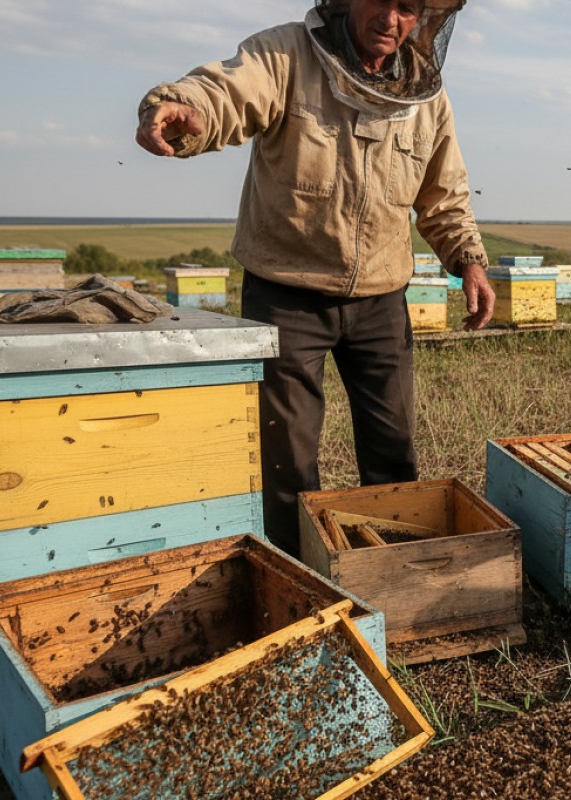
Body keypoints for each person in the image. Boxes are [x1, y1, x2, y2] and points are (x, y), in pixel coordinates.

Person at [135, 0, 494, 557]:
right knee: (289, 459)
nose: (391, 19)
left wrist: (468, 258)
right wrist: (186, 109)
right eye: (381, 0)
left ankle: (392, 568)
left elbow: (443, 193)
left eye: (408, 7)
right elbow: (226, 92)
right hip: (287, 294)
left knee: (393, 450)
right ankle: (297, 573)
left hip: (381, 300)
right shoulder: (286, 55)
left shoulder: (426, 95)